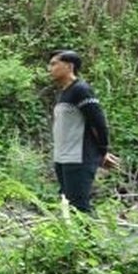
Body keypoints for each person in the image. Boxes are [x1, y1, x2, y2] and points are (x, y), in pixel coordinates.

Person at [47, 50, 117, 212]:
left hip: (78, 157)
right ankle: (73, 237)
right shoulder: (65, 93)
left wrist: (103, 151)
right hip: (63, 157)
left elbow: (98, 122)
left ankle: (89, 236)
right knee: (67, 204)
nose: (50, 68)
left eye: (54, 64)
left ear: (69, 66)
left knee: (79, 207)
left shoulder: (81, 89)